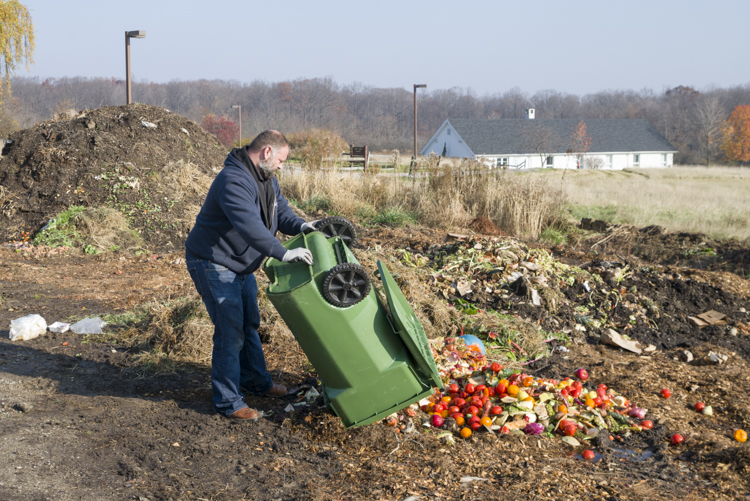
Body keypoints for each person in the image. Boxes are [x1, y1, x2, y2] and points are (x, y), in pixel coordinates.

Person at [185, 130, 315, 420]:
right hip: (213, 262)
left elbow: (281, 213)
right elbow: (249, 226)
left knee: (248, 324)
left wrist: (304, 227)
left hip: (239, 264)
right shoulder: (233, 180)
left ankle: (256, 382)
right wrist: (282, 252)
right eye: (281, 159)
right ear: (267, 152)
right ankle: (228, 402)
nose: (282, 166)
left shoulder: (267, 180)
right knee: (230, 330)